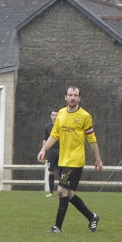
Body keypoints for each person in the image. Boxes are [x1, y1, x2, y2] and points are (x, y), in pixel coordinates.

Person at [37, 85, 102, 233]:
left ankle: (57, 227)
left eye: (75, 95)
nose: (72, 98)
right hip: (63, 160)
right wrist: (44, 149)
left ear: (79, 98)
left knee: (61, 190)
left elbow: (91, 139)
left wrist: (97, 159)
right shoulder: (61, 114)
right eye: (70, 95)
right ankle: (92, 217)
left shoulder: (85, 116)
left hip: (75, 161)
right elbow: (54, 135)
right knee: (68, 193)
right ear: (65, 97)